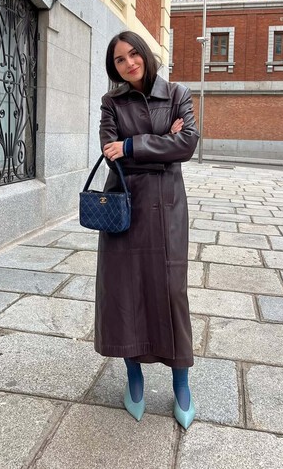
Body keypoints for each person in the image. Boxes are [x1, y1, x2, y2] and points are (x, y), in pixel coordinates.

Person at [95, 31, 199, 430]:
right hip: (124, 207)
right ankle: (134, 377)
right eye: (119, 60)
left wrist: (132, 146)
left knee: (171, 292)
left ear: (145, 54)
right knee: (125, 292)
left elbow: (187, 145)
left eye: (133, 54)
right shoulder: (111, 102)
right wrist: (161, 142)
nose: (129, 63)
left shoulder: (177, 94)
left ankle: (181, 383)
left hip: (167, 209)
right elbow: (111, 155)